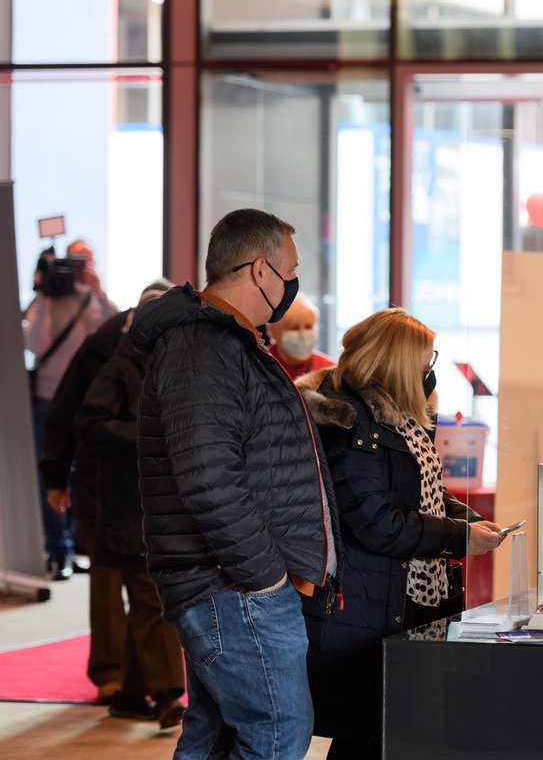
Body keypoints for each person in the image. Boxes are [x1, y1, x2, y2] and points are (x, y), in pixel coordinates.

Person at [130, 208, 339, 759]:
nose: (293, 285)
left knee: (216, 737)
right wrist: (265, 578)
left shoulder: (227, 343)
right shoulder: (204, 347)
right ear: (260, 270)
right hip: (233, 589)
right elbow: (207, 478)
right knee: (277, 733)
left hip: (229, 586)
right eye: (289, 270)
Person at [296, 308, 504, 759]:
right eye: (425, 364)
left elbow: (419, 491)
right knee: (369, 736)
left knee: (388, 731)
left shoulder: (396, 421)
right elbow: (377, 521)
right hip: (367, 605)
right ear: (398, 365)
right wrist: (457, 537)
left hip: (396, 601)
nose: (430, 375)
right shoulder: (353, 425)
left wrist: (464, 519)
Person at [40, 277, 172, 702]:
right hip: (102, 482)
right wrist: (56, 476)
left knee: (145, 581)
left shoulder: (175, 346)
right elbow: (67, 410)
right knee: (107, 578)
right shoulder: (105, 347)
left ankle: (134, 683)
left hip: (149, 488)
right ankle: (110, 676)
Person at [75, 285, 186, 729]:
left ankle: (130, 695)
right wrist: (147, 435)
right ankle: (165, 695)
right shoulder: (120, 366)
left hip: (154, 504)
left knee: (148, 597)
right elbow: (89, 425)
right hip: (126, 505)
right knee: (151, 596)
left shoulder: (172, 365)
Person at [23, 239, 119, 578]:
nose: (77, 267)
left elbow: (117, 338)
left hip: (89, 401)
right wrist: (46, 294)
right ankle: (58, 549)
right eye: (73, 260)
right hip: (50, 400)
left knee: (86, 476)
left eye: (85, 260)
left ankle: (82, 544)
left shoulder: (96, 302)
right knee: (52, 475)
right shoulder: (47, 300)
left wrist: (98, 291)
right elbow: (34, 345)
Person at [266, 290, 335, 379]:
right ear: (275, 332)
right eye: (294, 328)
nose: (302, 335)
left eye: (308, 327)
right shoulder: (257, 365)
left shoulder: (328, 369)